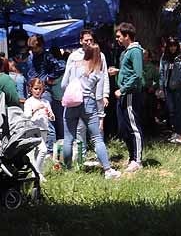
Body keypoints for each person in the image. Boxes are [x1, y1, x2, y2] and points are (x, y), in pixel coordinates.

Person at [60, 44, 116, 178]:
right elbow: (98, 95)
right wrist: (101, 114)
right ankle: (108, 170)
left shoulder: (73, 64)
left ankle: (67, 170)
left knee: (68, 139)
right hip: (88, 103)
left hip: (72, 103)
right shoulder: (98, 70)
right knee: (97, 138)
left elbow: (63, 84)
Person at [113, 22, 145, 172]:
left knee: (134, 127)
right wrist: (118, 71)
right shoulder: (125, 52)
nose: (117, 39)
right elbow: (128, 70)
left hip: (130, 93)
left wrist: (124, 89)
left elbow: (137, 75)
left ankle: (137, 160)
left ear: (127, 36)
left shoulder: (135, 51)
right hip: (124, 94)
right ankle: (131, 156)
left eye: (119, 36)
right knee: (124, 128)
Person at [159, 38, 181, 143]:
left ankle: (180, 132)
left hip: (179, 88)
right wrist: (161, 87)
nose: (172, 48)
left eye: (174, 45)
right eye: (170, 46)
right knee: (171, 110)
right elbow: (162, 72)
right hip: (168, 88)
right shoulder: (164, 57)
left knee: (179, 110)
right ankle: (174, 131)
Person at [23, 76, 57, 163]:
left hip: (44, 129)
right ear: (31, 89)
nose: (38, 91)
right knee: (43, 150)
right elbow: (26, 116)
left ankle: (37, 172)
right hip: (33, 130)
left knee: (39, 152)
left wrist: (50, 115)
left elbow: (52, 118)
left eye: (40, 89)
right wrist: (35, 109)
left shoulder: (45, 102)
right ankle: (37, 172)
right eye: (35, 89)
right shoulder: (29, 102)